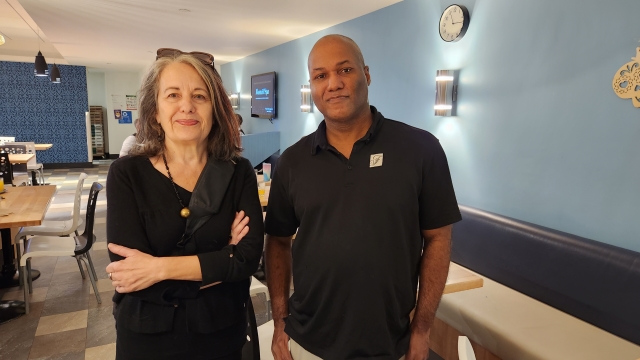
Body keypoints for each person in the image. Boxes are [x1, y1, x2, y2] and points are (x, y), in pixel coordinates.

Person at [264, 34, 462, 360]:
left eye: (345, 70)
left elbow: (439, 239)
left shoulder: (421, 149)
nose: (334, 84)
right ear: (312, 86)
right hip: (306, 343)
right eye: (321, 76)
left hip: (391, 344)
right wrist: (280, 321)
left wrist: (422, 327)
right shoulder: (293, 161)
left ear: (366, 74)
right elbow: (278, 242)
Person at [105, 48, 264, 360]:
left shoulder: (238, 171)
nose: (187, 106)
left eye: (200, 96)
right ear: (155, 112)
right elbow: (130, 276)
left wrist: (158, 268)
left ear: (215, 108)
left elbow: (246, 259)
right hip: (147, 337)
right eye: (173, 95)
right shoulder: (127, 174)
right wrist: (221, 262)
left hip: (221, 334)